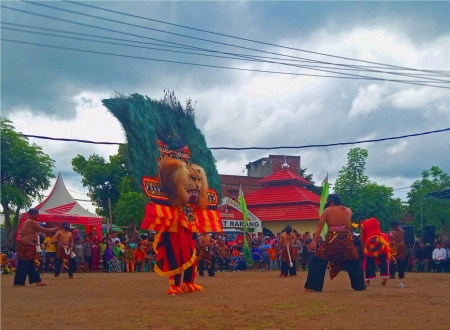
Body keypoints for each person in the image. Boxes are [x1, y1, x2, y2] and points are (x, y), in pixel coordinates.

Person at [304, 194, 366, 292]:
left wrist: (314, 241)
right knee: (354, 261)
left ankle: (313, 286)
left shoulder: (327, 210)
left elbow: (319, 226)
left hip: (332, 239)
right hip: (347, 240)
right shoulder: (349, 210)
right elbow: (350, 225)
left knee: (317, 260)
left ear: (331, 201)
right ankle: (360, 286)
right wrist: (357, 226)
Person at [13, 208, 59, 287]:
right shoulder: (31, 221)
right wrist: (54, 229)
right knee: (25, 262)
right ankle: (19, 282)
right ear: (32, 214)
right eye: (36, 214)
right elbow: (43, 230)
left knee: (32, 263)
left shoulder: (28, 222)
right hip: (27, 245)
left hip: (28, 245)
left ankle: (37, 280)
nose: (38, 215)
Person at [359, 217, 391, 286]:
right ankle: (385, 276)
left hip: (369, 244)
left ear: (361, 221)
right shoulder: (375, 220)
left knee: (369, 262)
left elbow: (362, 238)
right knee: (383, 260)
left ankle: (368, 280)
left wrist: (363, 247)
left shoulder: (362, 225)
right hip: (380, 241)